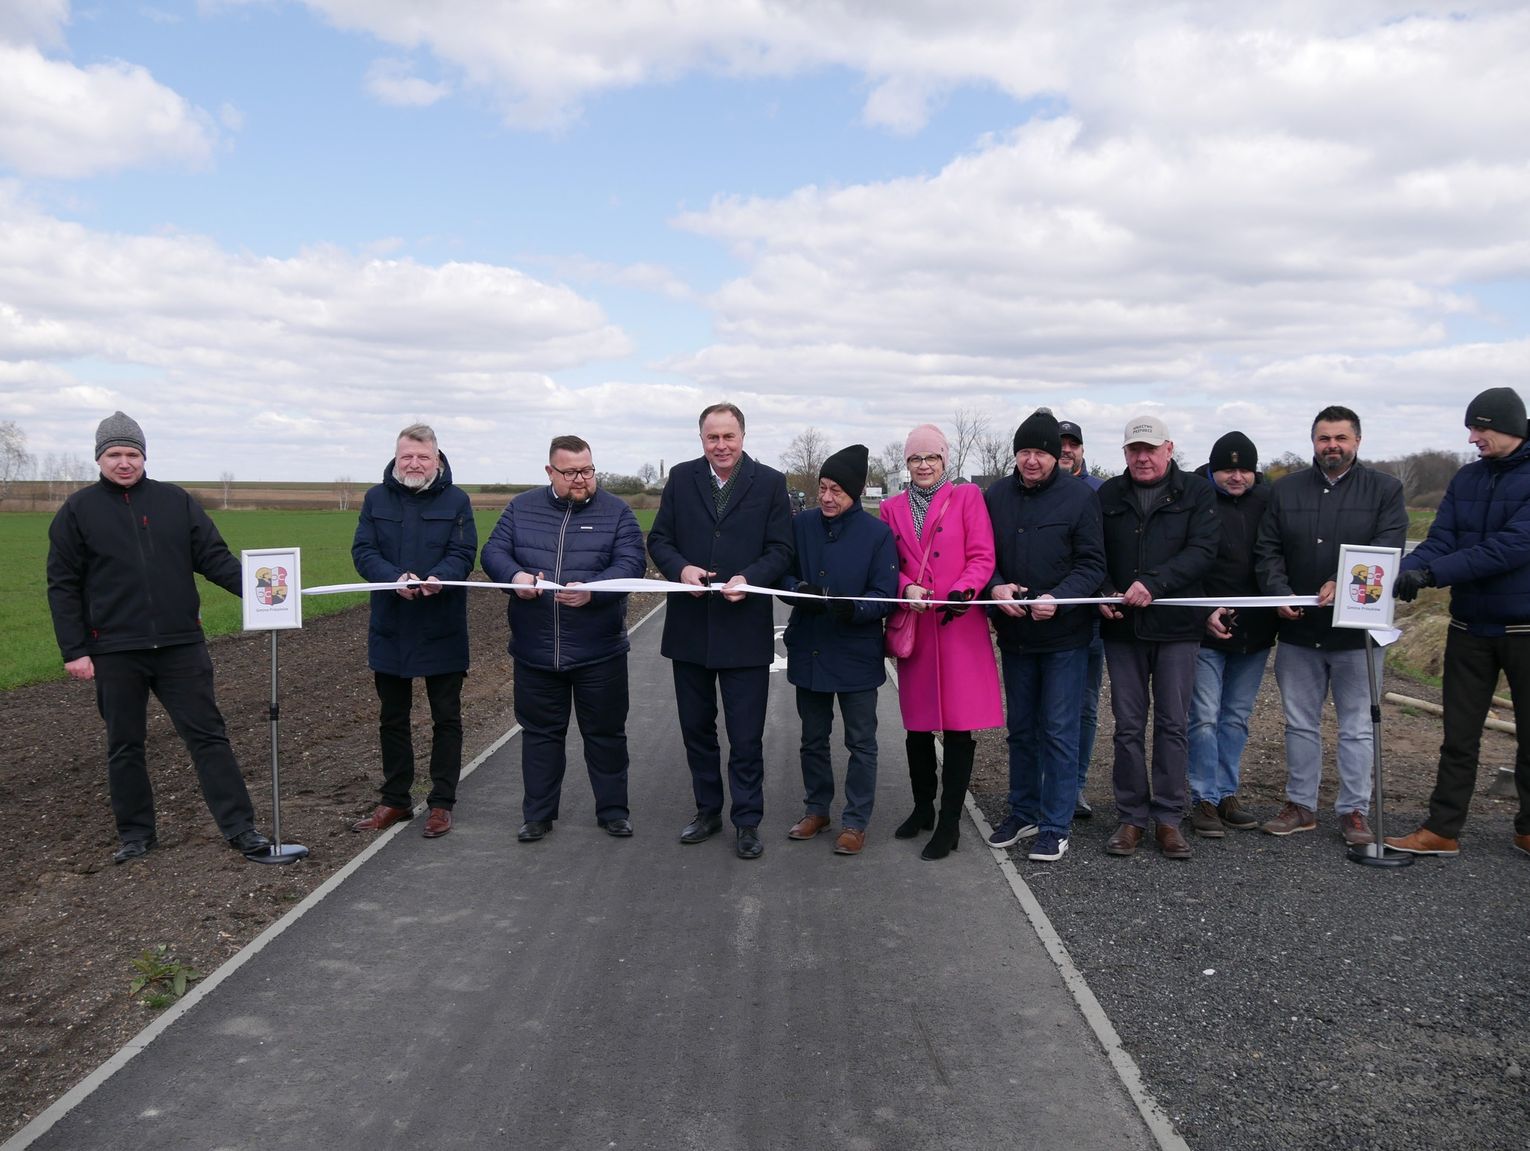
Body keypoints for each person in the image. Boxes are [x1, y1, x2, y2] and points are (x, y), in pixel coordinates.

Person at [46, 412, 272, 864]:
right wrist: (75, 649)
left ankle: (240, 828)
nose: (124, 462)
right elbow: (63, 584)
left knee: (209, 737)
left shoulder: (175, 502)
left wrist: (268, 594)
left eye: (132, 453)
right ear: (100, 459)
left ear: (145, 456)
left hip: (180, 645)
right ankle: (136, 834)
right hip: (113, 650)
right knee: (124, 744)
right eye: (114, 454)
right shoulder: (77, 511)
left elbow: (214, 558)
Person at [1385, 387, 1530, 858]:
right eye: (1471, 428)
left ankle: (1528, 828)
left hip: (1524, 630)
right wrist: (1409, 567)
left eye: (1480, 428)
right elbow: (1442, 537)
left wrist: (1433, 574)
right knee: (1458, 736)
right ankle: (1442, 829)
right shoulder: (1467, 479)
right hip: (1468, 627)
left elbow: (1509, 547)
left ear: (1509, 426)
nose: (1472, 438)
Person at [480, 435, 647, 843]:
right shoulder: (521, 508)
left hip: (599, 651)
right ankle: (537, 815)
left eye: (587, 470)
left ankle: (613, 812)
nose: (581, 479)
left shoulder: (617, 512)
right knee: (540, 736)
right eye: (570, 472)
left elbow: (631, 561)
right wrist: (515, 578)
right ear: (550, 472)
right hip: (536, 650)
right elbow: (493, 553)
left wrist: (593, 589)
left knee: (606, 735)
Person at [1255, 405, 1407, 845]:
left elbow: (1388, 547)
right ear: (1313, 442)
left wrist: (1347, 581)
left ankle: (1354, 810)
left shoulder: (1385, 490)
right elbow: (1268, 549)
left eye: (1341, 438)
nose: (1332, 446)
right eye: (1324, 438)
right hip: (1300, 631)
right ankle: (1301, 804)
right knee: (1299, 722)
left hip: (1357, 637)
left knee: (1357, 725)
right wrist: (1278, 591)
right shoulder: (1285, 491)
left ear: (1357, 441)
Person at [647, 403, 793, 859]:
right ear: (701, 440)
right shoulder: (682, 477)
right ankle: (707, 810)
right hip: (690, 628)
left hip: (744, 627)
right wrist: (680, 568)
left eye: (729, 436)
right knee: (697, 729)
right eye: (713, 438)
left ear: (743, 437)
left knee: (746, 736)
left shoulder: (770, 483)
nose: (721, 445)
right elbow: (659, 540)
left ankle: (747, 821)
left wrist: (750, 578)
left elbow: (781, 548)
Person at [983, 411, 1106, 863]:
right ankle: (1023, 811)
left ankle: (1055, 824)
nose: (1031, 461)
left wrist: (1063, 596)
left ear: (1056, 456)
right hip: (1015, 635)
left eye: (1040, 453)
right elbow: (983, 554)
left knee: (1058, 730)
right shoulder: (996, 495)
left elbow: (1093, 564)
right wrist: (995, 585)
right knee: (1021, 729)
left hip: (1064, 637)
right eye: (1024, 452)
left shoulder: (1078, 497)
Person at [1096, 414, 1220, 861]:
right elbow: (1093, 552)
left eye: (1150, 449)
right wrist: (1104, 590)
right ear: (1125, 453)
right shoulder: (1108, 494)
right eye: (1134, 450)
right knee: (1128, 726)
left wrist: (1156, 583)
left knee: (1173, 723)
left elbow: (1203, 550)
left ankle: (1168, 817)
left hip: (1177, 628)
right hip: (1123, 629)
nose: (1142, 457)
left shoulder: (1197, 492)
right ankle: (1131, 817)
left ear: (1169, 449)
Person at [881, 424, 1003, 861]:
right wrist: (904, 586)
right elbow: (884, 563)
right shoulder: (891, 508)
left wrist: (964, 592)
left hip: (957, 625)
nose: (924, 465)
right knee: (916, 724)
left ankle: (950, 821)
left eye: (931, 457)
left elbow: (982, 555)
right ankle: (922, 809)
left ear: (945, 459)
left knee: (956, 724)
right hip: (915, 626)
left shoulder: (968, 497)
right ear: (906, 463)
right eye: (916, 458)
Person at [351, 424, 478, 838]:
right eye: (407, 456)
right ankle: (396, 800)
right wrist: (393, 578)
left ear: (437, 460)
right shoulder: (375, 498)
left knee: (446, 718)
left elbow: (464, 551)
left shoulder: (458, 501)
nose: (414, 463)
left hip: (441, 623)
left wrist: (441, 576)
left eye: (423, 457)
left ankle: (441, 803)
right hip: (392, 624)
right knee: (392, 718)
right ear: (396, 457)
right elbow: (363, 550)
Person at [779, 444, 899, 855]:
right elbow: (785, 574)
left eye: (838, 492)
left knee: (861, 741)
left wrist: (851, 607)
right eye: (823, 488)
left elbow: (885, 595)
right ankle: (817, 809)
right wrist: (800, 592)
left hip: (855, 652)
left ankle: (855, 821)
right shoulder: (802, 525)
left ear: (856, 493)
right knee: (813, 738)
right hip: (810, 647)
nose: (828, 498)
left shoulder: (877, 534)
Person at [1186, 432, 1276, 837]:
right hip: (1205, 628)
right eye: (1227, 469)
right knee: (1203, 716)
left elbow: (1275, 556)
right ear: (1212, 470)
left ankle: (1226, 792)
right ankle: (1201, 795)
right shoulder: (1195, 499)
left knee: (1236, 717)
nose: (1236, 476)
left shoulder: (1269, 502)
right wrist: (1205, 610)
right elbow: (1186, 560)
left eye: (1244, 469)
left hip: (1255, 631)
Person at [1059, 418, 1105, 820]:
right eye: (1059, 444)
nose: (1065, 450)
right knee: (1046, 710)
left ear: (1082, 450)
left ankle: (1074, 787)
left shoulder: (1099, 493)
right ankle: (1047, 783)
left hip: (1089, 621)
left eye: (1072, 444)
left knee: (1085, 708)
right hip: (1041, 620)